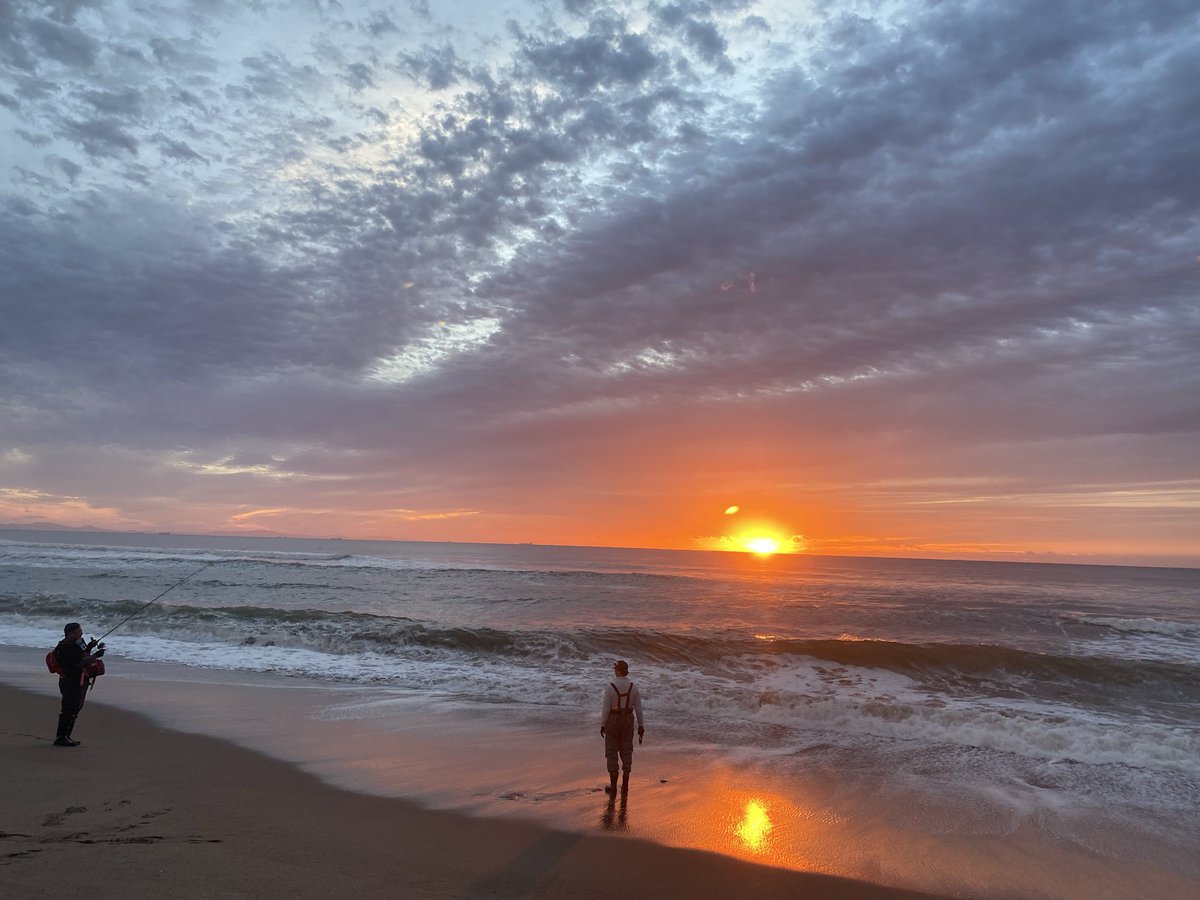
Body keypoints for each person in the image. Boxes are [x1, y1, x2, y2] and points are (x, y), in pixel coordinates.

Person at [53, 622, 105, 747]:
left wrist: (90, 647)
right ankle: (61, 737)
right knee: (69, 708)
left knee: (75, 708)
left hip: (76, 680)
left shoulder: (73, 645)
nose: (81, 633)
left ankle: (66, 736)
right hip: (69, 681)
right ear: (70, 633)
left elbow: (81, 655)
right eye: (78, 631)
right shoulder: (65, 647)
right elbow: (79, 662)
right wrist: (96, 656)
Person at [599, 659, 644, 795]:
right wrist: (641, 726)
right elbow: (639, 709)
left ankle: (613, 786)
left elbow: (606, 709)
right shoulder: (633, 687)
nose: (614, 671)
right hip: (628, 720)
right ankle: (625, 785)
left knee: (611, 752)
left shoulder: (610, 687)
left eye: (615, 669)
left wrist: (603, 724)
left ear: (618, 671)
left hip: (613, 720)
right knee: (626, 751)